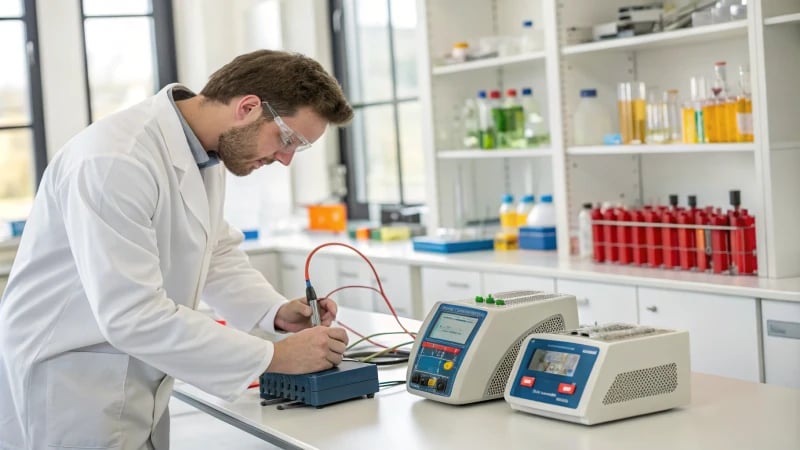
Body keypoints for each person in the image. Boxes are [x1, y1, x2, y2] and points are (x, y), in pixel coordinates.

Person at [0, 49, 354, 450]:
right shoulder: (115, 161)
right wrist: (275, 358)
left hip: (131, 374)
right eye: (288, 139)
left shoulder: (204, 154)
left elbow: (214, 251)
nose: (286, 159)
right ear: (248, 107)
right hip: (73, 382)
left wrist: (273, 312)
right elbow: (131, 315)